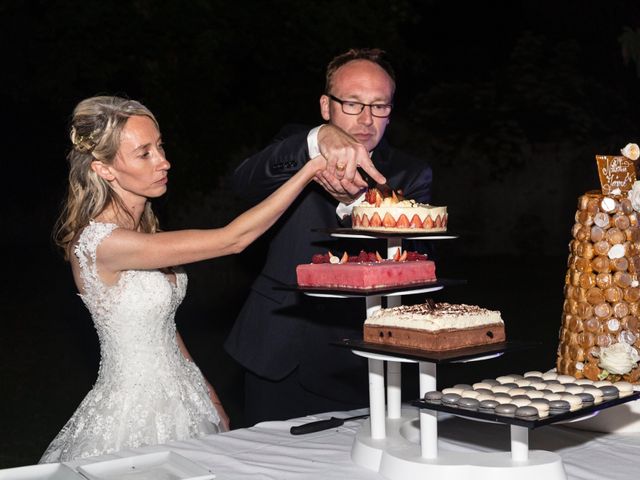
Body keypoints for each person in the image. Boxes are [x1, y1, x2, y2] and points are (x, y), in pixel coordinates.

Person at [40, 96, 327, 462]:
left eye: (159, 146)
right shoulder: (105, 242)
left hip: (183, 391)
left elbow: (161, 324)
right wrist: (310, 169)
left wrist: (204, 389)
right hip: (136, 409)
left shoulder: (140, 227)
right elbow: (233, 239)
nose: (164, 162)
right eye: (144, 154)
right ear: (105, 169)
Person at [226, 48, 433, 425]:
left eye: (379, 106)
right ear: (326, 106)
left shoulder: (410, 173)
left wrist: (356, 205)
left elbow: (411, 267)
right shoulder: (294, 145)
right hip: (276, 351)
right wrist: (317, 140)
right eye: (353, 104)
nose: (367, 119)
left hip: (356, 358)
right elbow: (242, 184)